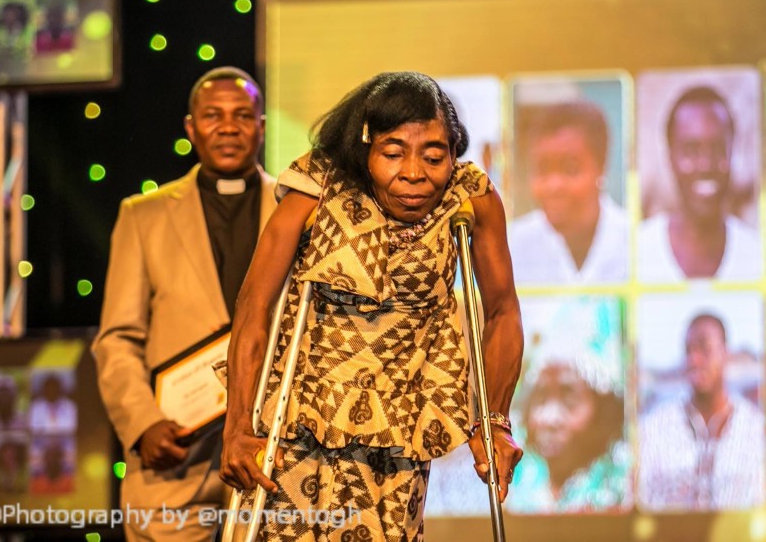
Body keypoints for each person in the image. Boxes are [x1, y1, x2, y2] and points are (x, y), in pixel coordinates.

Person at [220, 72, 524, 540]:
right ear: (367, 147)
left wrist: (496, 420)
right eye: (393, 153)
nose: (414, 173)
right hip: (301, 417)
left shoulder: (470, 198)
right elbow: (255, 302)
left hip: (401, 424)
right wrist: (238, 425)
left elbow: (502, 310)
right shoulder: (317, 185)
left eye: (434, 155)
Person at [93, 66, 275, 541]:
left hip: (274, 455)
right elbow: (117, 340)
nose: (228, 126)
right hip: (173, 457)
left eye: (242, 115)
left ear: (261, 125)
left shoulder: (297, 209)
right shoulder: (143, 215)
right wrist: (142, 424)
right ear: (191, 128)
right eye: (213, 115)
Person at [508, 299, 629, 513]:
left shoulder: (621, 490)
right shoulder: (519, 489)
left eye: (569, 400)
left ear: (604, 410)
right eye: (541, 396)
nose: (549, 418)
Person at [639, 313, 765, 511]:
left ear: (725, 353)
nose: (694, 360)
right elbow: (642, 499)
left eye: (705, 349)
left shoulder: (755, 428)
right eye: (689, 350)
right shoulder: (654, 426)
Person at [638, 86, 761, 281]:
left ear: (732, 153)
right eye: (691, 150)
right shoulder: (638, 251)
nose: (705, 165)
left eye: (718, 148)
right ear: (670, 157)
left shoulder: (757, 255)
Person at [507, 100, 628, 283]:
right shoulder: (513, 245)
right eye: (542, 169)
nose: (553, 185)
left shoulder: (635, 241)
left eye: (570, 168)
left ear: (601, 166)